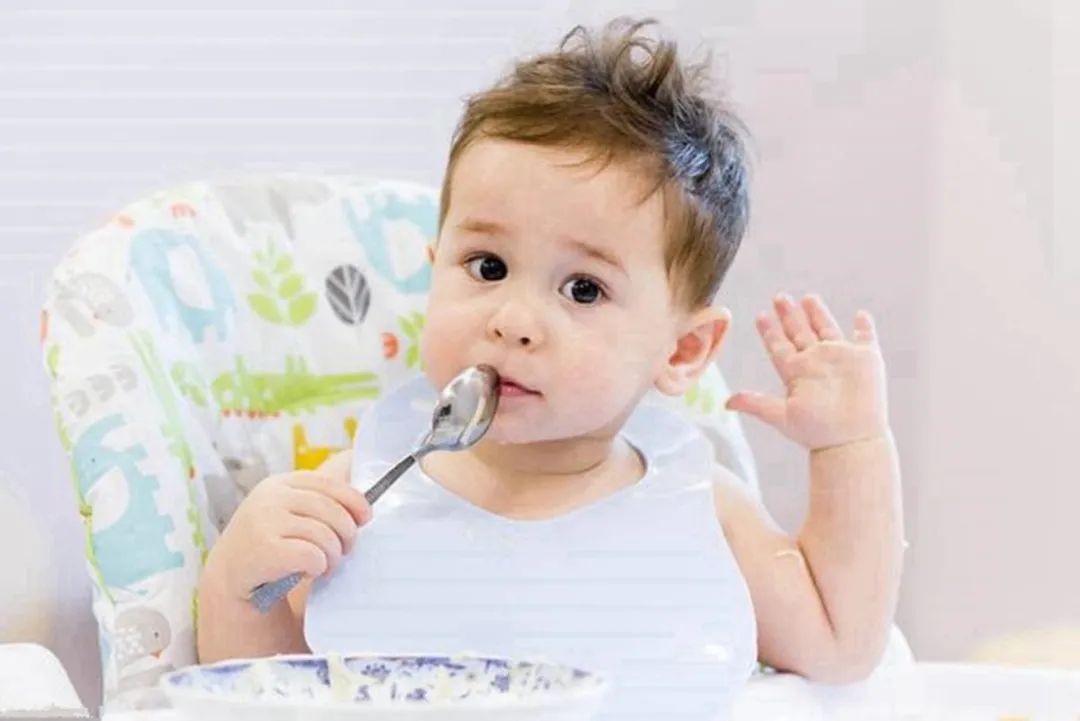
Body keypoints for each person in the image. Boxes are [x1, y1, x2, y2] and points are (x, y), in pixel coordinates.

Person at [197, 16, 904, 718]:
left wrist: (851, 448)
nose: (513, 319)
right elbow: (254, 694)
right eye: (488, 266)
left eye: (583, 289)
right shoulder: (357, 501)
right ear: (434, 271)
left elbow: (841, 642)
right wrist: (239, 578)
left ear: (682, 350)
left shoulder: (699, 509)